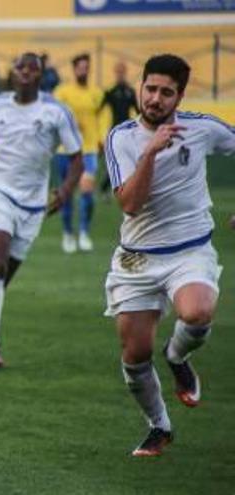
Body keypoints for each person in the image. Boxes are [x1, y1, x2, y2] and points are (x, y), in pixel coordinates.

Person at [104, 54, 232, 457]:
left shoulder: (203, 128)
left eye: (166, 92)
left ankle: (177, 356)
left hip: (190, 249)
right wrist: (151, 153)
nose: (155, 98)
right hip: (138, 258)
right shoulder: (121, 138)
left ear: (179, 96)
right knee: (134, 354)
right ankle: (159, 426)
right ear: (141, 87)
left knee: (196, 312)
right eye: (150, 89)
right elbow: (129, 204)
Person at [0, 52, 83, 368]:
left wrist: (66, 190)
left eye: (32, 68)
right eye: (20, 67)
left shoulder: (56, 112)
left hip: (34, 203)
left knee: (0, 278)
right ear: (11, 73)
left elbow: (78, 157)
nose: (25, 72)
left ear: (41, 75)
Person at [54, 53, 104, 253]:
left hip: (88, 149)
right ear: (74, 69)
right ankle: (67, 233)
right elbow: (56, 116)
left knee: (87, 192)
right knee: (66, 194)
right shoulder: (62, 92)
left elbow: (102, 117)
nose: (84, 70)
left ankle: (84, 232)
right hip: (65, 150)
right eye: (80, 67)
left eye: (86, 67)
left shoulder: (97, 93)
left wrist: (102, 137)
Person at [100, 60, 139, 197]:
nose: (121, 75)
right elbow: (99, 109)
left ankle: (122, 187)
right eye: (119, 72)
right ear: (116, 73)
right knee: (113, 161)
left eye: (123, 72)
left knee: (128, 160)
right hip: (114, 131)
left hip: (127, 132)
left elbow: (138, 111)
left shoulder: (130, 92)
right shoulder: (110, 92)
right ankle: (106, 188)